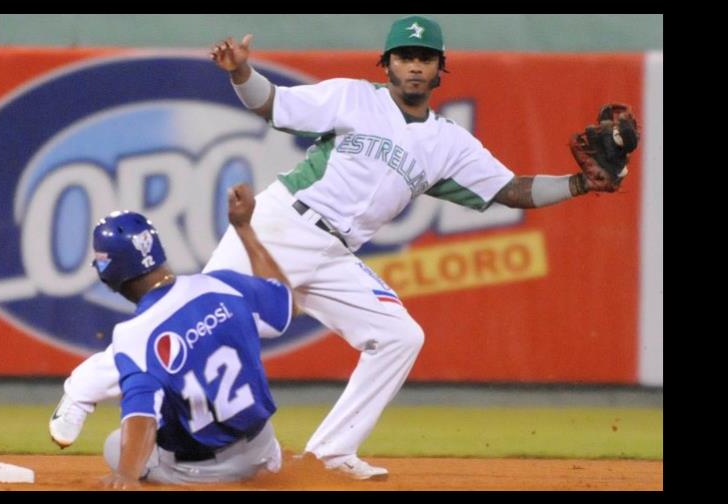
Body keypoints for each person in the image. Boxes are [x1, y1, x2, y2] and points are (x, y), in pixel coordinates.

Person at [52, 15, 631, 481]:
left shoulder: (450, 143)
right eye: (403, 55)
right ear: (388, 64)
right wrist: (241, 71)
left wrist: (581, 184)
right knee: (201, 321)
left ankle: (329, 454)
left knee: (401, 335)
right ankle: (82, 391)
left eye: (424, 58)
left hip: (336, 253)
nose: (413, 65)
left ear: (439, 71)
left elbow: (512, 190)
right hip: (284, 223)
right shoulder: (354, 98)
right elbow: (272, 105)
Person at [85, 184, 295, 488]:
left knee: (115, 446)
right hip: (263, 452)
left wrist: (127, 476)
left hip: (201, 474)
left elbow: (142, 416)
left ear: (108, 274)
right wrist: (244, 228)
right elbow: (285, 301)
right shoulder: (221, 284)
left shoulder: (134, 334)